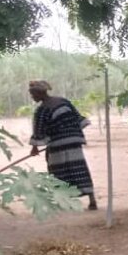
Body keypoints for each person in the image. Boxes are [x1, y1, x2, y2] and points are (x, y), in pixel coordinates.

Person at [28, 80, 97, 210]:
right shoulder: (63, 101)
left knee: (58, 171)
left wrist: (34, 148)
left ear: (40, 93)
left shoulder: (42, 110)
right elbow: (78, 119)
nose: (32, 97)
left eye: (33, 94)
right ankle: (92, 200)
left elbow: (38, 131)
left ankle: (64, 201)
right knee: (79, 168)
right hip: (74, 141)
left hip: (58, 144)